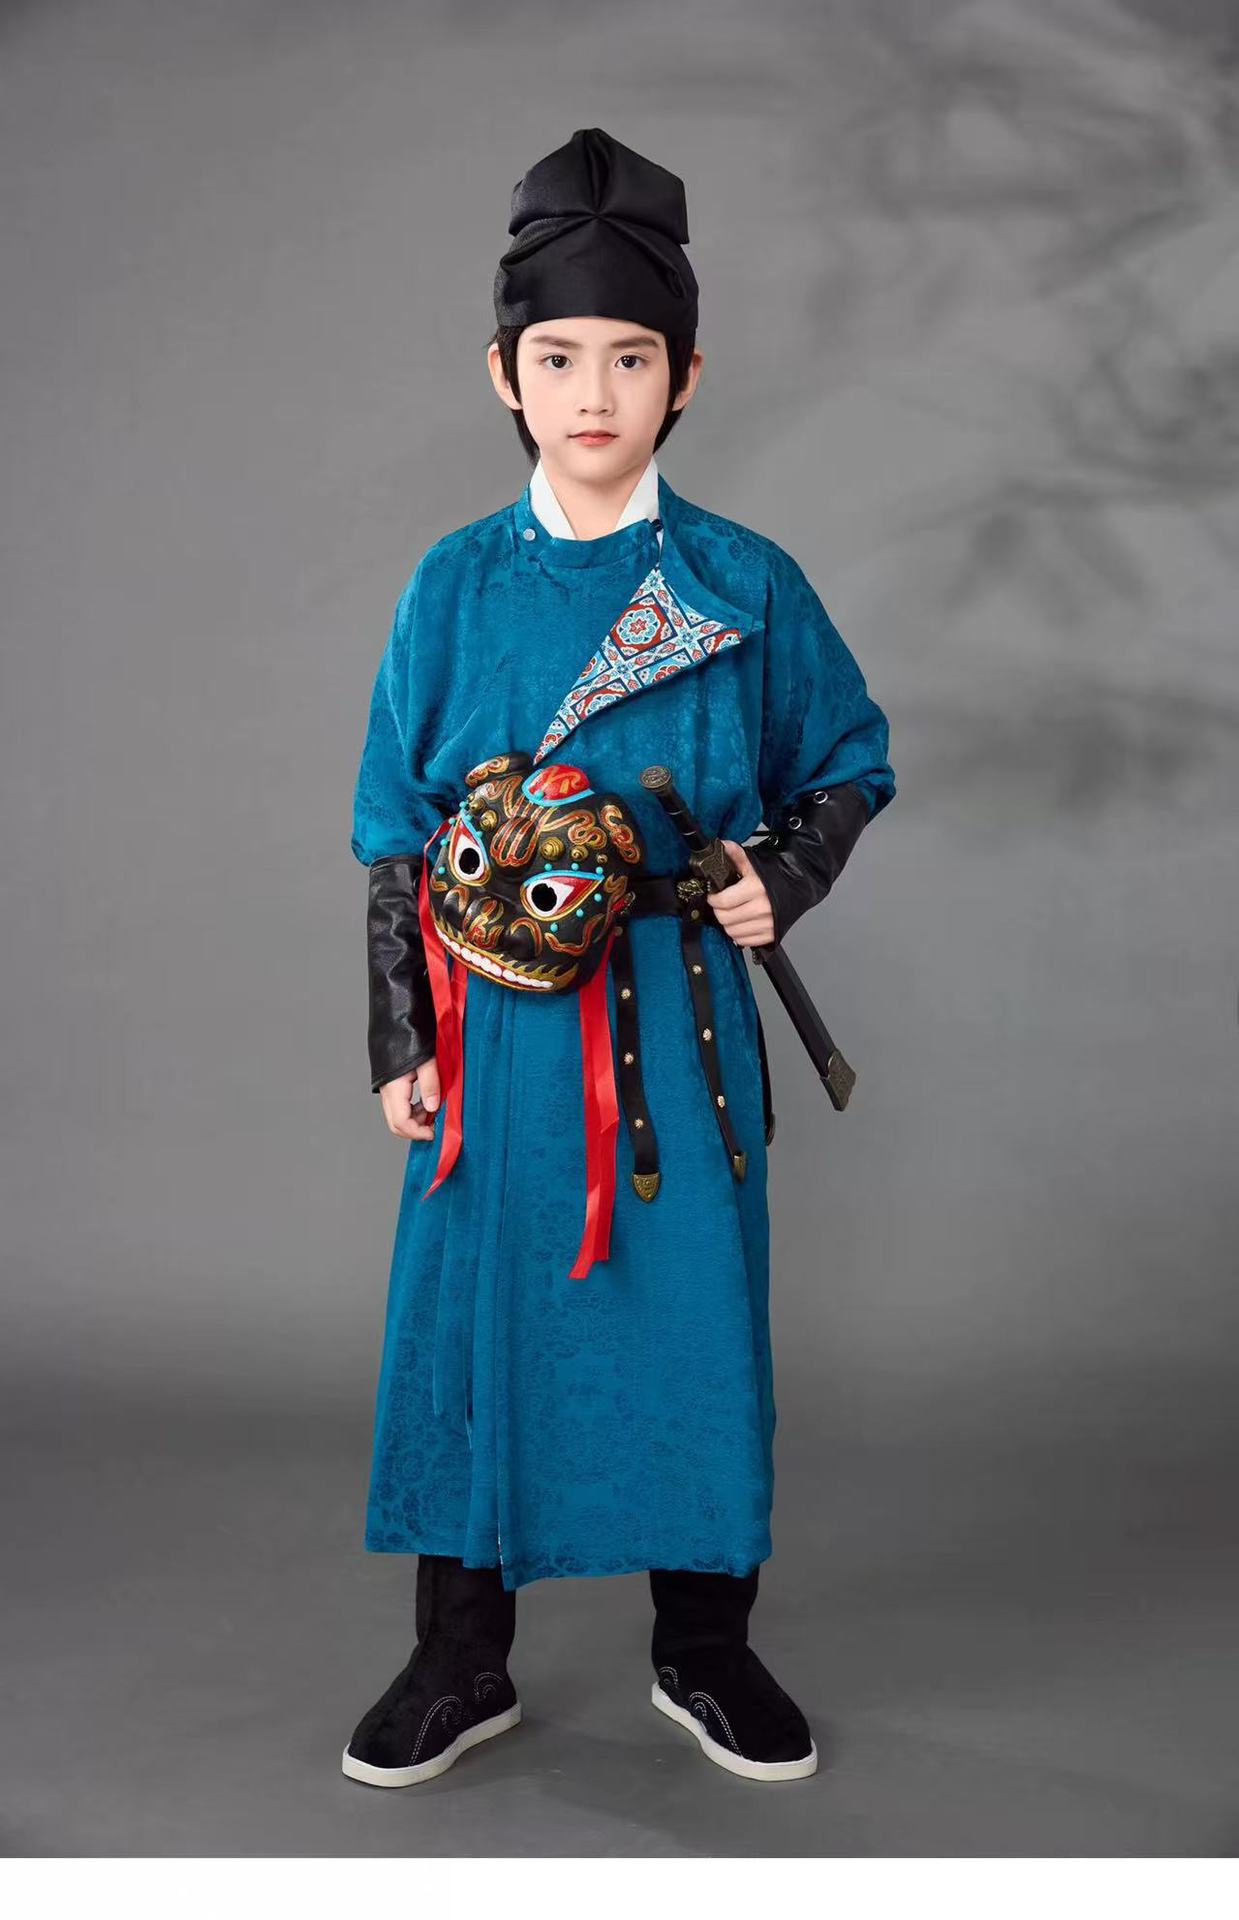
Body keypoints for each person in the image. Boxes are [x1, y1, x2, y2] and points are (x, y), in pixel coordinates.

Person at [341, 127, 895, 1790]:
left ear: (686, 376)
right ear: (504, 373)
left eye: (633, 358)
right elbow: (398, 830)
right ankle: (459, 1653)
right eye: (561, 357)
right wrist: (399, 1035)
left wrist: (781, 872)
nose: (595, 393)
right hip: (498, 1022)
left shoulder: (742, 581)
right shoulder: (452, 587)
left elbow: (849, 759)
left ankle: (705, 1645)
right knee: (472, 1312)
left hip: (677, 1025)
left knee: (693, 1320)